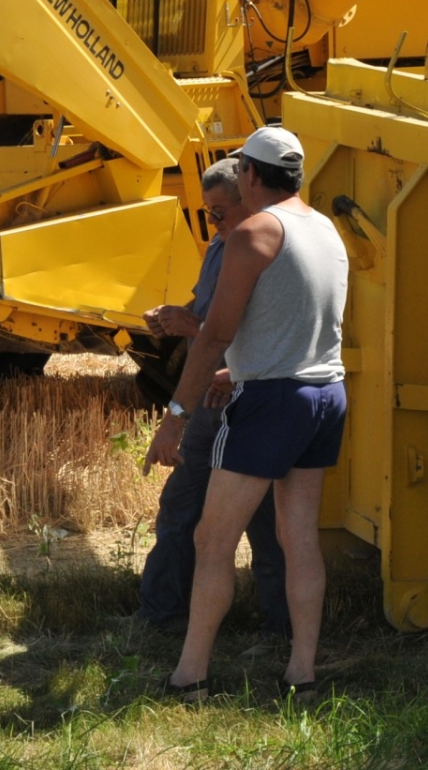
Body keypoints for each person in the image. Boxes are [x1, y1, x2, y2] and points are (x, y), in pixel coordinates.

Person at [146, 126, 348, 700]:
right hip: (326, 394)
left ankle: (190, 677)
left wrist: (175, 415)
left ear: (251, 177)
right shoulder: (326, 229)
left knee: (213, 539)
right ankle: (302, 673)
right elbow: (305, 326)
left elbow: (214, 335)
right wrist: (242, 369)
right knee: (299, 537)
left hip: (271, 403)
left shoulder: (254, 232)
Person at [136, 158, 288, 639]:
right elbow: (208, 318)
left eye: (220, 211)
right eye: (208, 214)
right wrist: (177, 316)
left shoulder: (273, 252)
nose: (214, 223)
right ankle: (162, 613)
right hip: (213, 397)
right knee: (184, 506)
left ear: (250, 197)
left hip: (245, 399)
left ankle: (278, 626)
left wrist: (194, 329)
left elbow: (250, 336)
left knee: (262, 521)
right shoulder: (221, 248)